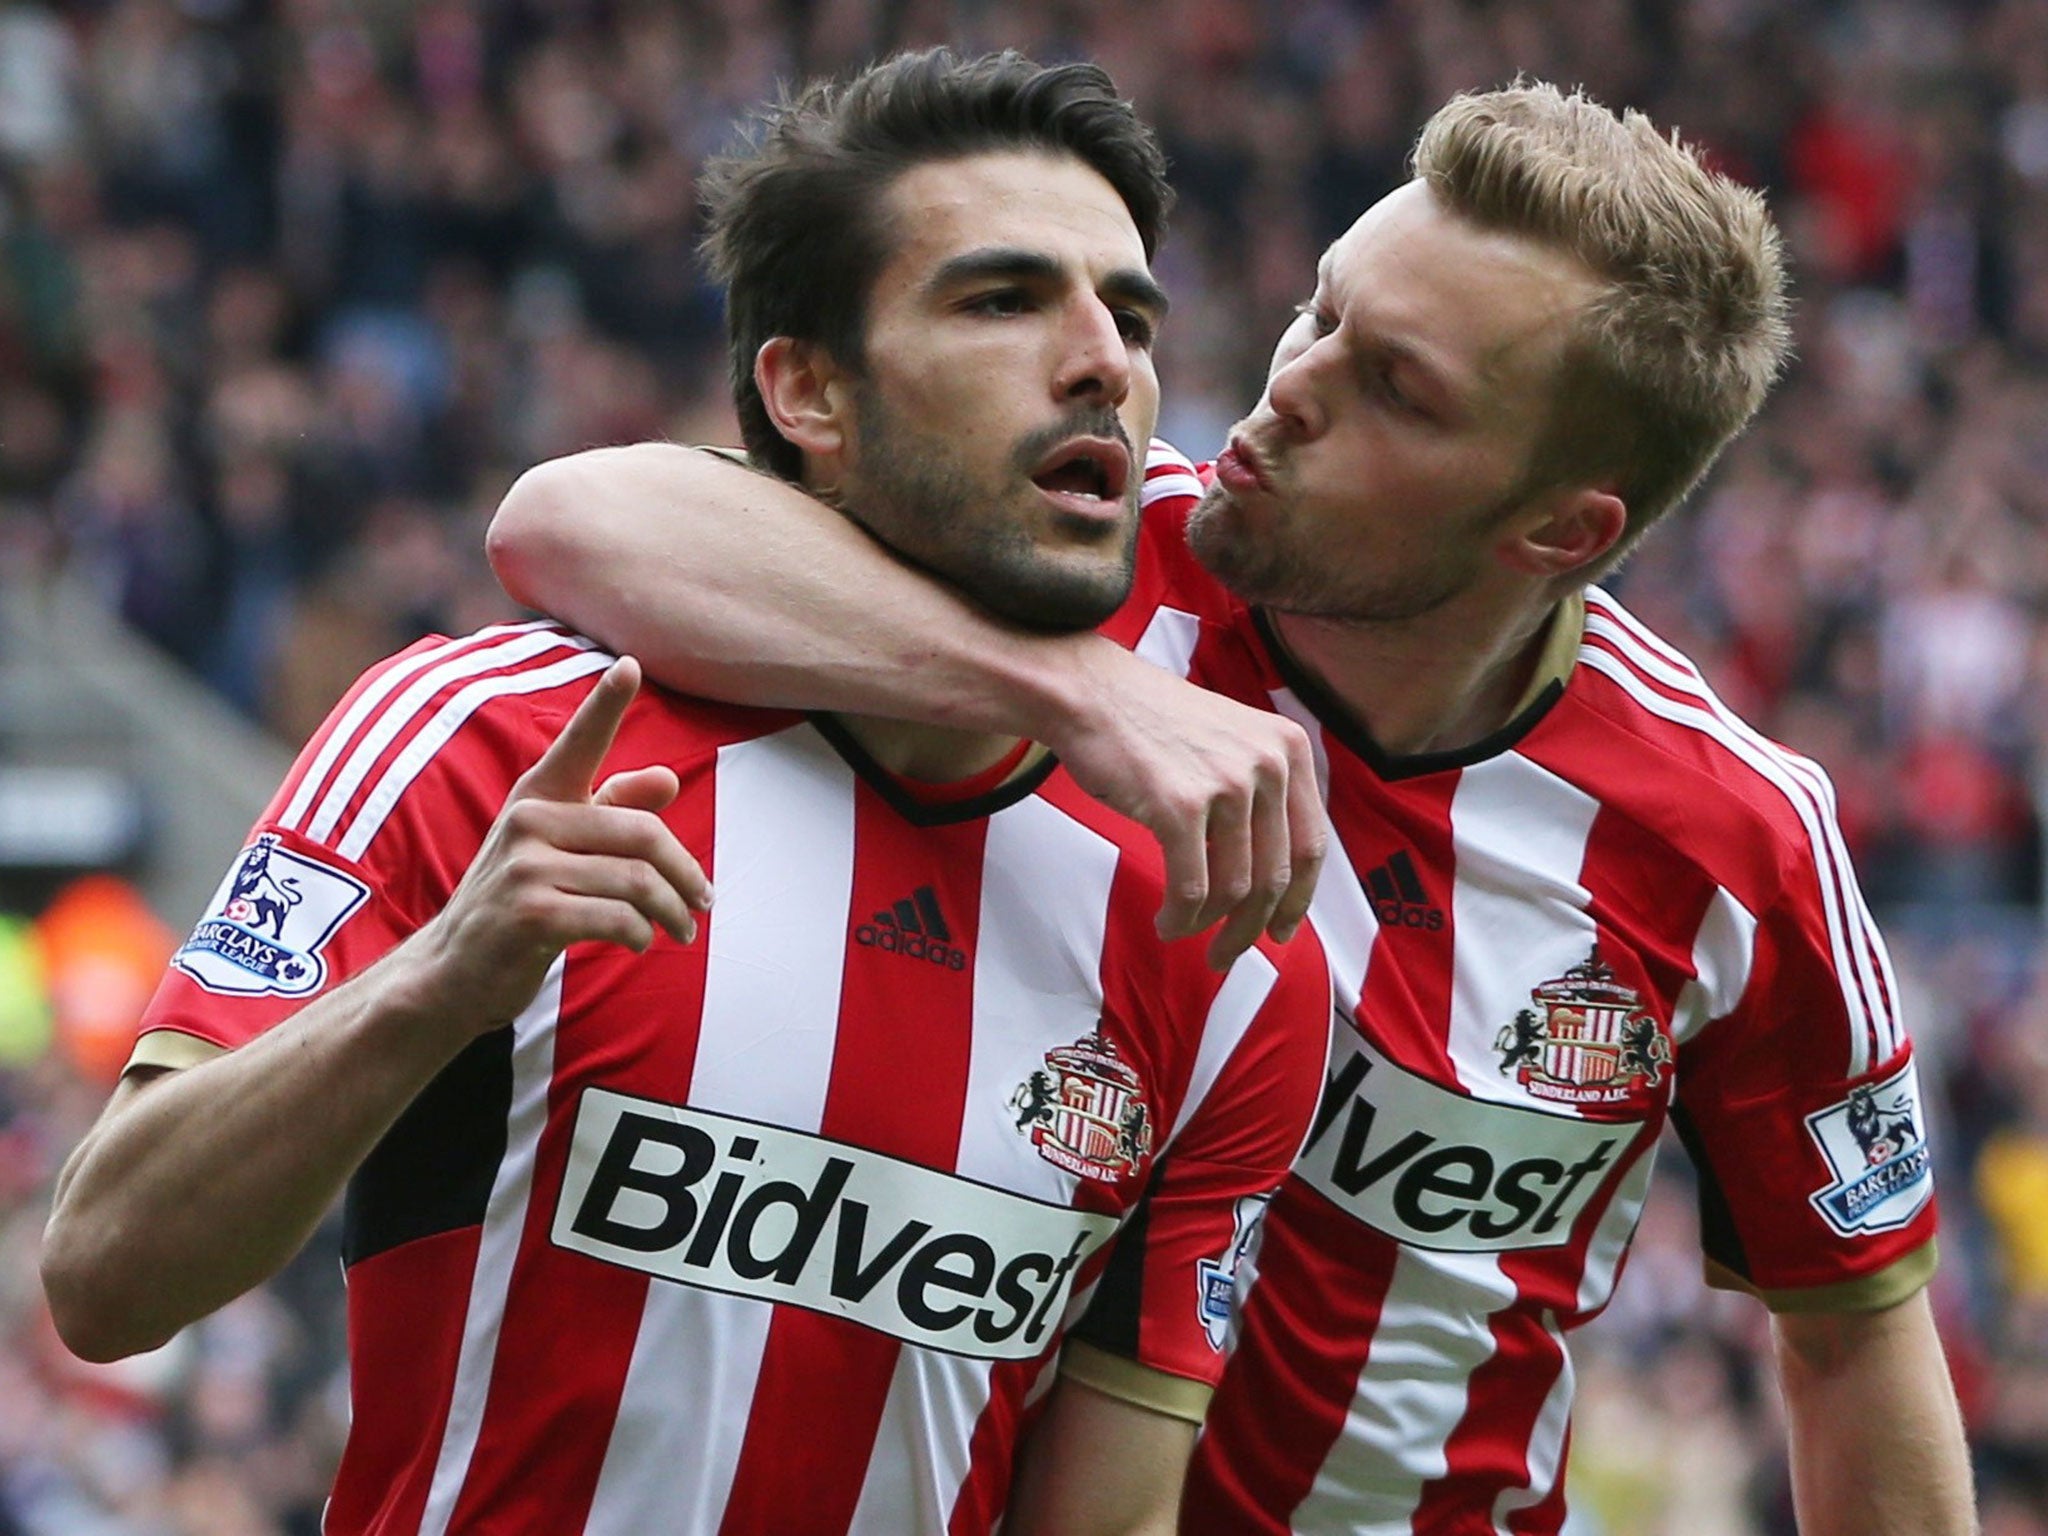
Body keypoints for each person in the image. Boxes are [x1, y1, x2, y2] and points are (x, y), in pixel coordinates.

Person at [486, 80, 1978, 1535]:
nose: (1293, 387)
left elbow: (1855, 1330)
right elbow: (570, 522)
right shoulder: (1067, 570)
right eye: (1324, 310)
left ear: (1560, 528)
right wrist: (1079, 691)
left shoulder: (1735, 839)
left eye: (1394, 388)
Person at [40, 50, 1333, 1536]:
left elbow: (1106, 1516)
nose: (1105, 356)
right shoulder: (484, 736)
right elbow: (106, 1274)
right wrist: (439, 982)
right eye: (1002, 299)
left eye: (1132, 311)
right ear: (807, 390)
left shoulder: (1225, 944)